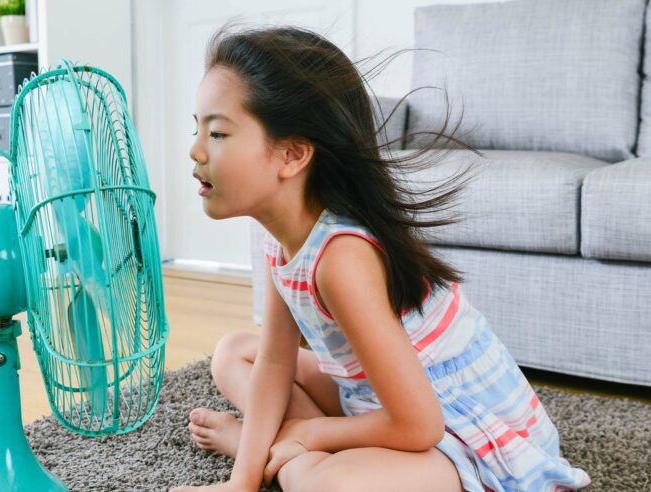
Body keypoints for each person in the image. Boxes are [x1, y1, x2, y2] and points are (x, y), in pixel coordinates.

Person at [170, 23, 592, 492]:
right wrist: (241, 482)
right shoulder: (278, 240)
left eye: (218, 133)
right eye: (197, 128)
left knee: (328, 486)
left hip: (461, 431)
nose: (195, 150)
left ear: (292, 154)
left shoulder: (342, 258)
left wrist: (310, 434)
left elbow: (420, 425)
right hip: (371, 399)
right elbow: (274, 365)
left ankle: (286, 451)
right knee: (234, 354)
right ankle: (280, 455)